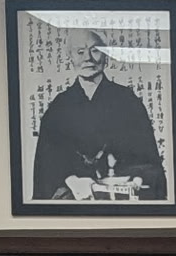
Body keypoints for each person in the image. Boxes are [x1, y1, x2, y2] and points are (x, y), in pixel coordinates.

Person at [31, 29, 165, 202]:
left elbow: (149, 163)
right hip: (73, 204)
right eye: (80, 52)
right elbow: (45, 170)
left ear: (106, 56)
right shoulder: (58, 108)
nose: (87, 58)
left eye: (95, 50)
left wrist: (130, 179)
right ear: (70, 58)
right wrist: (71, 181)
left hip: (120, 201)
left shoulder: (128, 102)